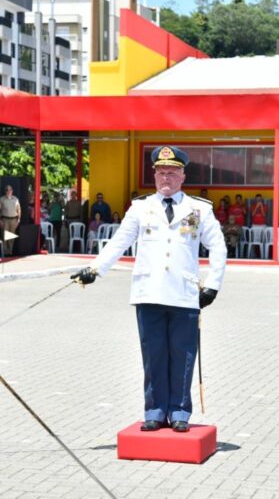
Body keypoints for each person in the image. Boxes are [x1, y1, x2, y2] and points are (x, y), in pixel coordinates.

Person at [71, 145, 227, 433]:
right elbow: (119, 241)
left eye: (172, 172)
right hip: (149, 292)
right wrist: (96, 269)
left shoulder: (199, 209)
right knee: (153, 354)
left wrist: (213, 285)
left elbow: (218, 246)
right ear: (154, 176)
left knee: (183, 355)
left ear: (182, 176)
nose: (166, 177)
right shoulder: (140, 208)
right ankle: (154, 410)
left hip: (184, 293)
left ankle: (180, 411)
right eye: (161, 172)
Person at [0, 184, 21, 256]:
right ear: (5, 191)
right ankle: (5, 252)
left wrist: (18, 220)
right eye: (7, 189)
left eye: (10, 189)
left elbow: (19, 210)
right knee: (4, 236)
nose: (8, 191)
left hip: (14, 220)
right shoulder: (2, 199)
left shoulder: (16, 199)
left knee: (11, 236)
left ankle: (10, 252)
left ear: (12, 191)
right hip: (5, 219)